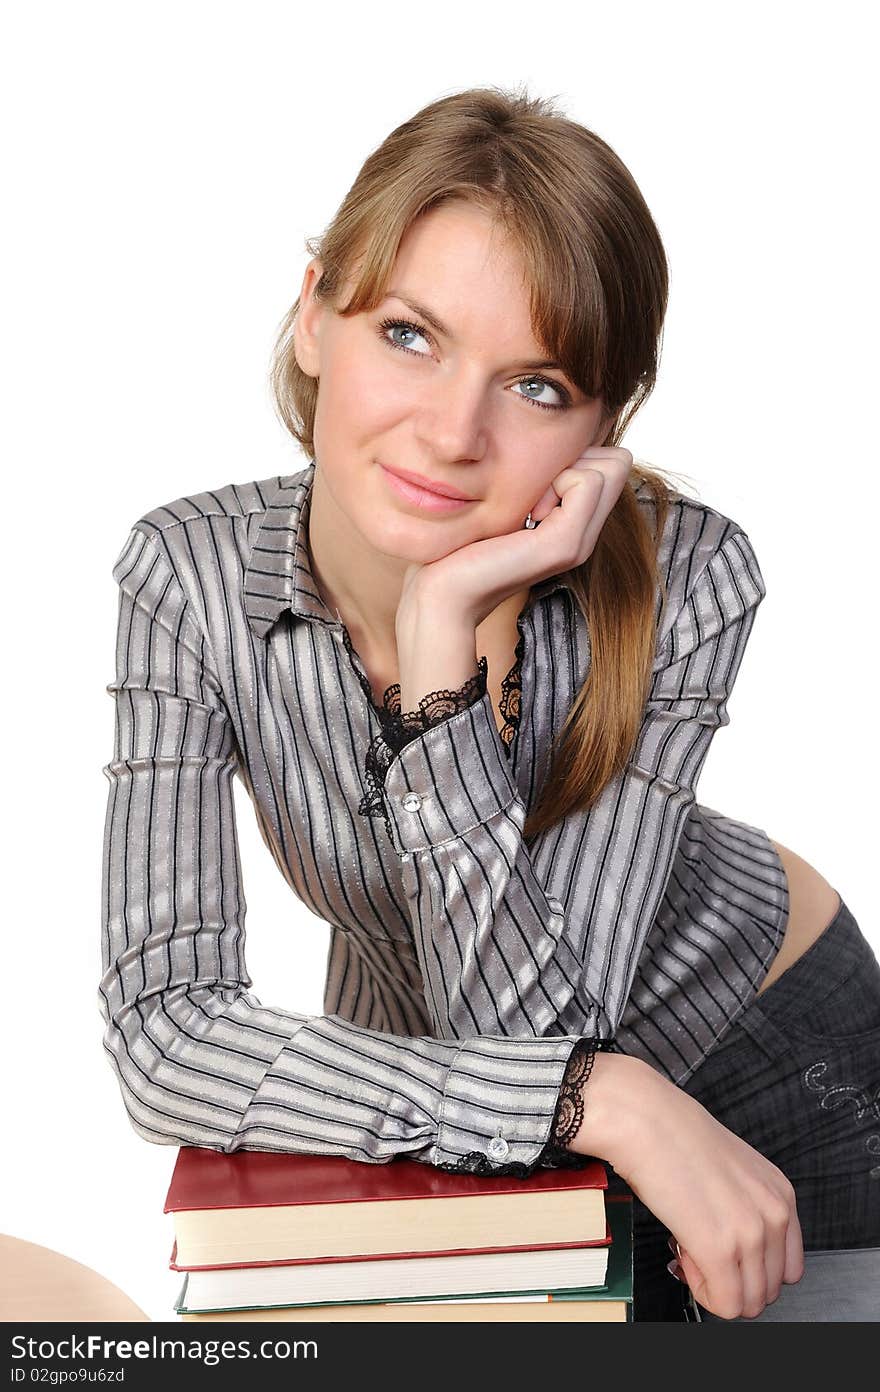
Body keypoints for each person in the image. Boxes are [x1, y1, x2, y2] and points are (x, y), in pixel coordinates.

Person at [99, 85, 880, 1322]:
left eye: (537, 385)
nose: (452, 432)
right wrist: (605, 1099)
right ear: (313, 315)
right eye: (409, 334)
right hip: (483, 1095)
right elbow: (164, 1034)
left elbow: (541, 1024)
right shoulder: (191, 575)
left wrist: (442, 649)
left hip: (775, 1062)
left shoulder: (692, 574)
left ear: (602, 428)